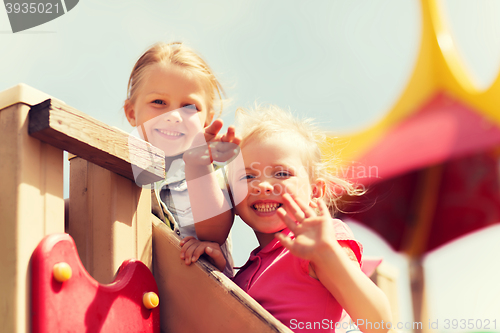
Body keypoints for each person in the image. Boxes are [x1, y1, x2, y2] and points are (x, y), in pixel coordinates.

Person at [180, 105, 392, 332]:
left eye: (282, 173)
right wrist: (218, 271)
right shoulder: (246, 274)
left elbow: (379, 323)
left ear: (315, 192)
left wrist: (328, 255)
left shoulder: (317, 241)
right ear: (232, 198)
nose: (262, 185)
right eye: (248, 176)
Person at [124, 42, 237, 277]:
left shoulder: (210, 166)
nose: (174, 116)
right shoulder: (120, 166)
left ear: (207, 120)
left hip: (199, 294)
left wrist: (199, 165)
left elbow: (214, 233)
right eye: (159, 102)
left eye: (189, 106)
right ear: (132, 113)